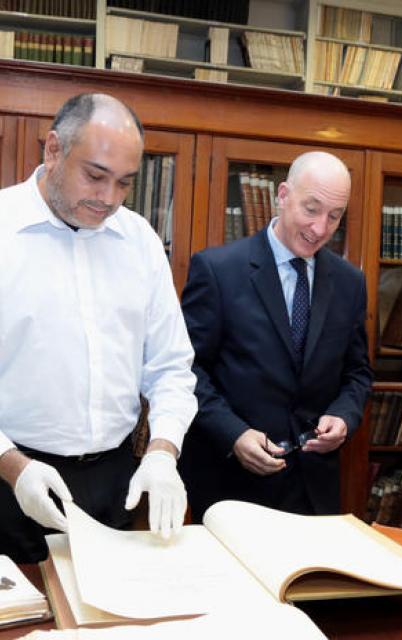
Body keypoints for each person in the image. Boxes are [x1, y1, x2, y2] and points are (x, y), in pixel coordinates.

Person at [0, 93, 197, 563]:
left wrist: (163, 452)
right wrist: (13, 467)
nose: (108, 198)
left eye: (124, 183)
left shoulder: (140, 241)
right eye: (95, 175)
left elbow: (171, 367)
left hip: (113, 480)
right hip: (9, 478)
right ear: (53, 150)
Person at [180, 150, 372, 521]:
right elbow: (187, 371)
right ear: (282, 195)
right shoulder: (218, 270)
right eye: (311, 209)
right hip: (231, 484)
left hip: (313, 487)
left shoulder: (350, 282)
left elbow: (357, 373)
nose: (320, 228)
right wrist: (233, 434)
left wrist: (343, 417)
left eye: (334, 216)